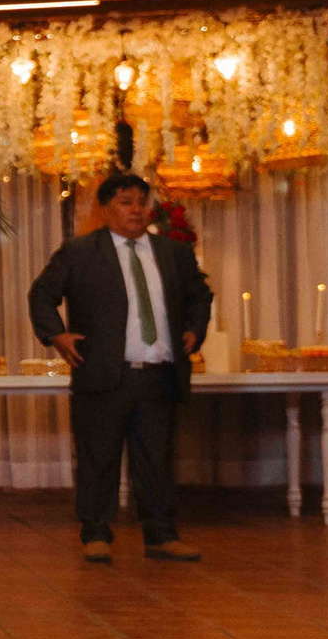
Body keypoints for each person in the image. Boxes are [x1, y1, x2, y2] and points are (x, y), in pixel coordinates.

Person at [27, 173, 214, 564]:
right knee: (98, 456)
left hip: (159, 373)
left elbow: (200, 295)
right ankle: (96, 533)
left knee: (157, 460)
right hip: (103, 373)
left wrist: (195, 330)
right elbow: (42, 295)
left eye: (142, 202)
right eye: (126, 202)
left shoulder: (172, 253)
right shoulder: (80, 252)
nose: (136, 210)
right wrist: (56, 336)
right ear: (106, 208)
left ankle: (161, 535)